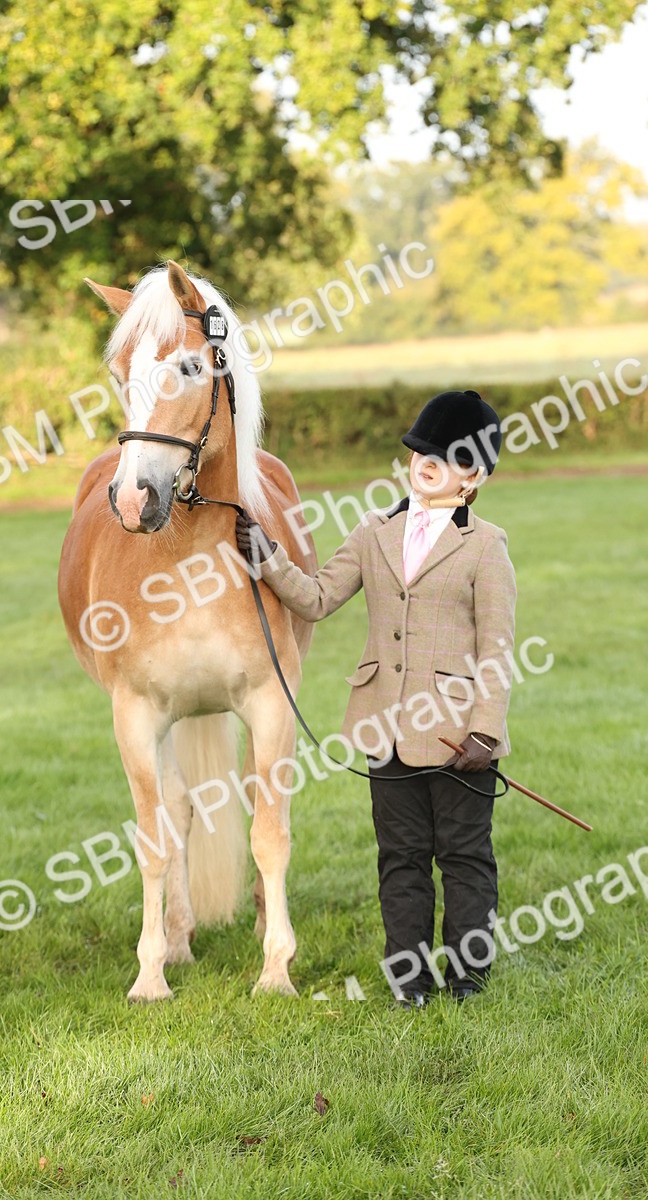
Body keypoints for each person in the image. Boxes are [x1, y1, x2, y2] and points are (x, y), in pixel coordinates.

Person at [235, 390, 517, 1008]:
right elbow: (314, 598)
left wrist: (486, 731)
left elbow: (497, 648)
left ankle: (467, 978)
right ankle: (408, 980)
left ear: (473, 480)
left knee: (465, 857)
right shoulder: (373, 532)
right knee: (401, 857)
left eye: (447, 459)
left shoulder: (486, 546)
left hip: (457, 736)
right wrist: (265, 556)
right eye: (423, 452)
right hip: (385, 725)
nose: (428, 464)